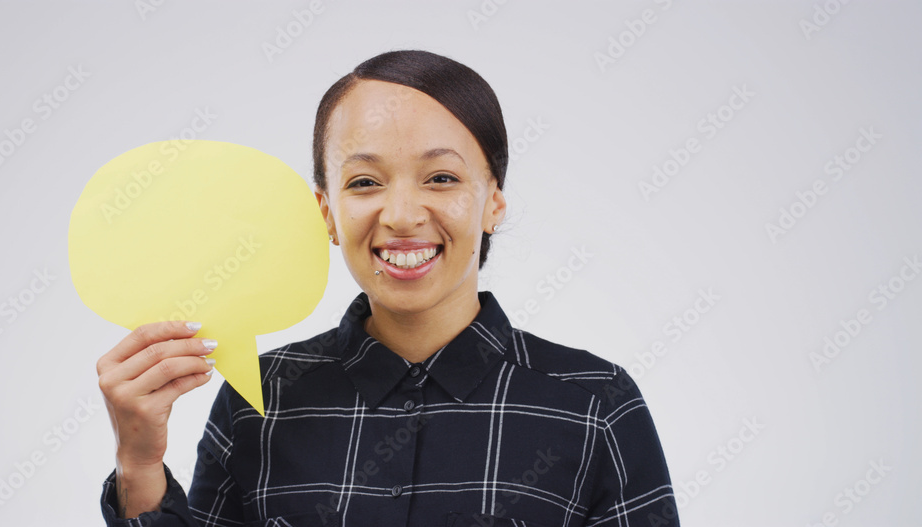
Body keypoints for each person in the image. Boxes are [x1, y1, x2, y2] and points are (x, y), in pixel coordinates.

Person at [97, 49, 680, 526]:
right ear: (326, 212)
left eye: (441, 177)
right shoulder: (258, 404)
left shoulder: (597, 406)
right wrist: (139, 464)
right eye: (365, 182)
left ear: (493, 202)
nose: (401, 215)